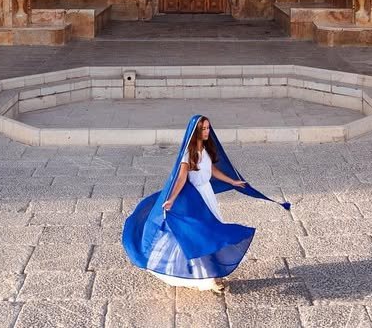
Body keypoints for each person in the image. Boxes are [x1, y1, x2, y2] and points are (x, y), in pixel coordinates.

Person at [122, 113, 290, 292]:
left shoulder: (206, 149)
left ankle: (213, 272)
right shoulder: (188, 154)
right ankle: (210, 277)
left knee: (211, 230)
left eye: (208, 128)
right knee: (204, 233)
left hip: (207, 193)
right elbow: (180, 179)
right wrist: (171, 199)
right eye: (203, 129)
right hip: (196, 199)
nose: (206, 131)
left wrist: (232, 181)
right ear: (195, 131)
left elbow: (213, 170)